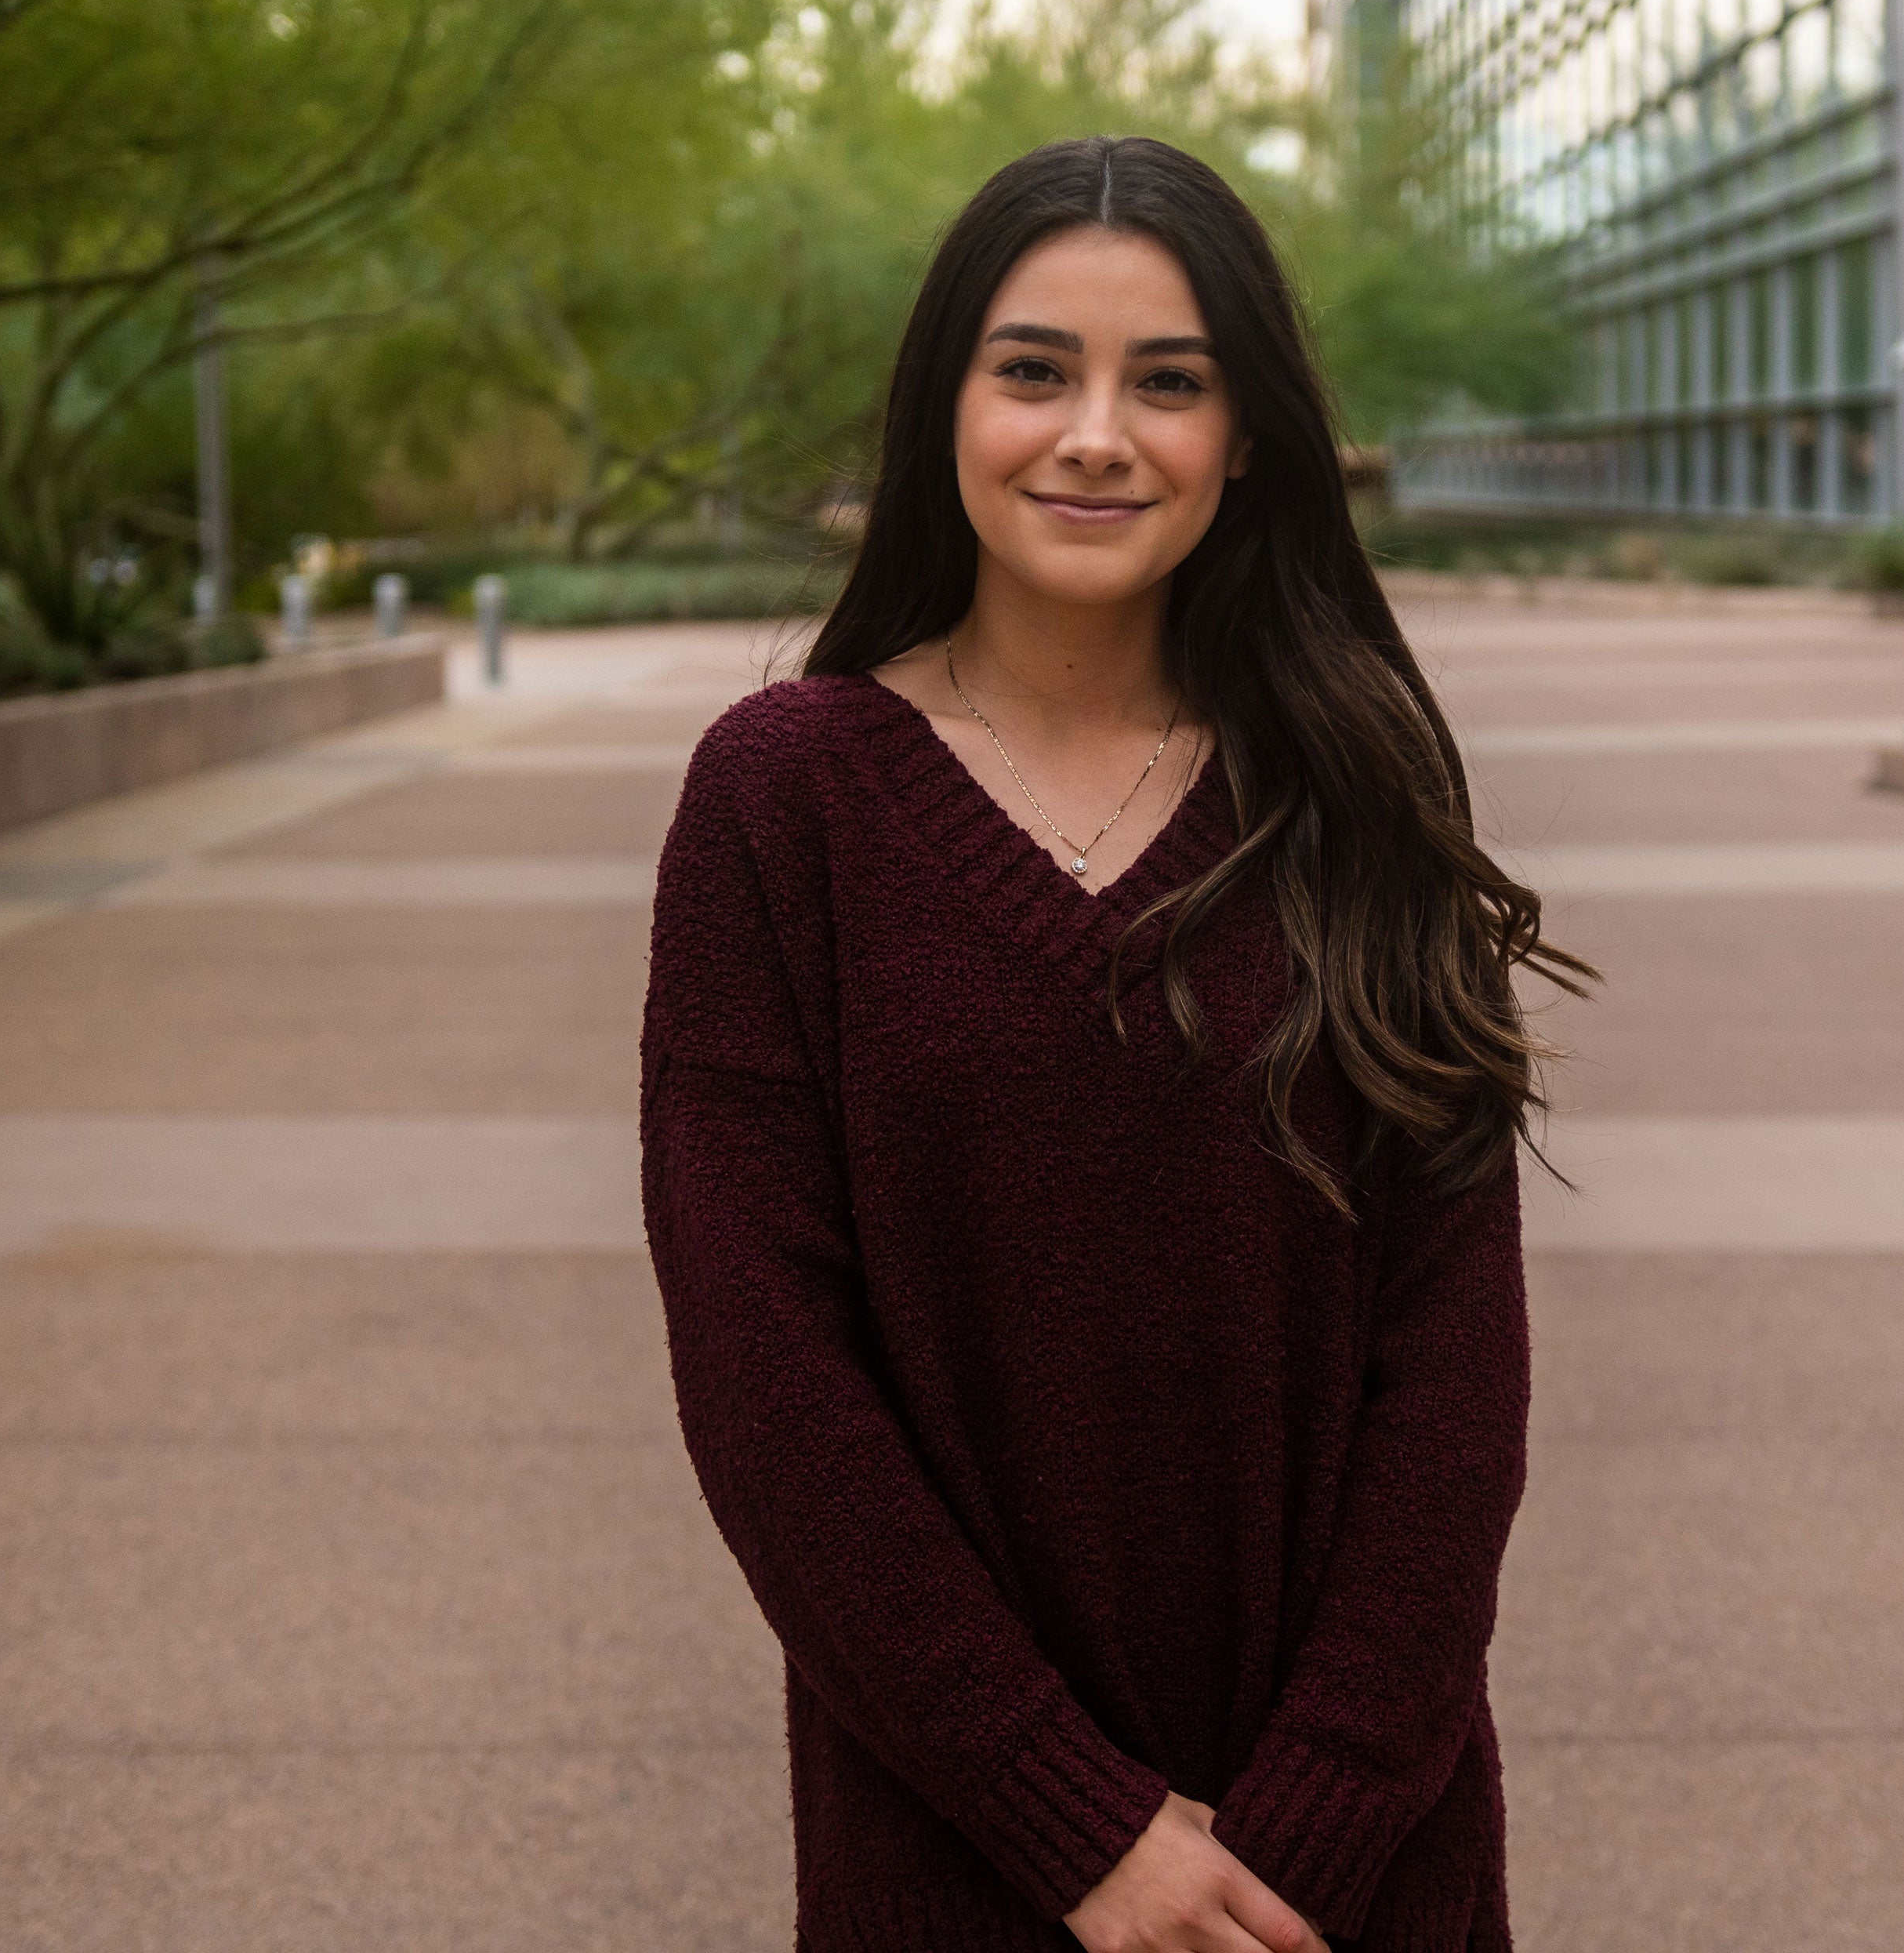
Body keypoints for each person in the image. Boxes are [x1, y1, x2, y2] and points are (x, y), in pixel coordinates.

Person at [640, 136, 1590, 1953]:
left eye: (1169, 382)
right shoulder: (781, 803)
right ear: (943, 408)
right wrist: (1074, 1828)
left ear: (1246, 441)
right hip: (958, 1849)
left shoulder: (1352, 787)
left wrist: (1302, 1832)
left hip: (1347, 1877)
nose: (1095, 434)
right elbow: (768, 1381)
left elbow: (1454, 1366)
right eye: (1033, 371)